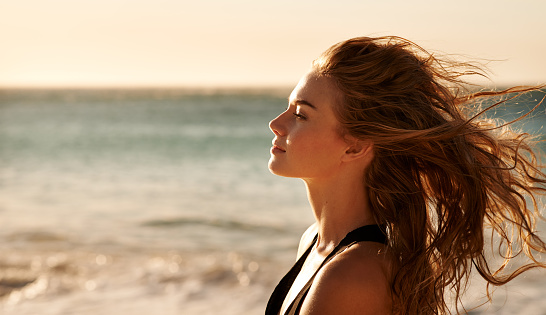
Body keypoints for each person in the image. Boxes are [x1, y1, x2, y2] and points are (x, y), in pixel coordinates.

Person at [264, 36, 546, 315]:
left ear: (355, 146)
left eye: (301, 114)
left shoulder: (352, 277)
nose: (276, 123)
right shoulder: (315, 241)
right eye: (289, 108)